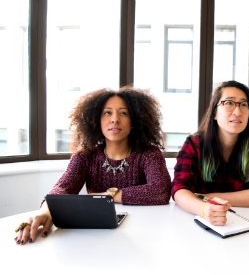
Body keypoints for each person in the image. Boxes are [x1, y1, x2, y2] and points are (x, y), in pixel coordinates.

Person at [15, 86, 171, 245]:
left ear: (135, 121)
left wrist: (107, 196)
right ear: (96, 120)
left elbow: (161, 190)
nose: (114, 119)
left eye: (124, 113)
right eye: (107, 112)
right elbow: (63, 188)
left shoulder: (149, 153)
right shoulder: (85, 155)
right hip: (95, 236)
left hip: (142, 235)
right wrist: (45, 212)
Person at [172, 80, 249, 226]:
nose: (238, 112)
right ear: (214, 112)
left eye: (244, 104)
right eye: (229, 103)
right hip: (198, 222)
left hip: (245, 223)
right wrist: (204, 209)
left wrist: (208, 198)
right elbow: (179, 190)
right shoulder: (194, 144)